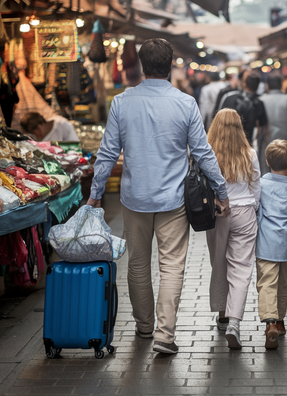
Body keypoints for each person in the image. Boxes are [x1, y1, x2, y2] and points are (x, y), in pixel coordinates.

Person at [87, 38, 229, 355]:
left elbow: (107, 153)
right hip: (174, 200)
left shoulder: (122, 103)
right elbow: (203, 154)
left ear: (140, 64)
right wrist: (221, 191)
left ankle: (144, 326)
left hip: (134, 198)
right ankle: (165, 335)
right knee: (172, 267)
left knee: (137, 265)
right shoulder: (185, 103)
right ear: (170, 65)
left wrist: (95, 195)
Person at [205, 108, 261, 350]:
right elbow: (256, 186)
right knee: (241, 269)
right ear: (240, 128)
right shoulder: (250, 153)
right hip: (245, 212)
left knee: (219, 263)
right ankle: (234, 323)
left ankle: (222, 315)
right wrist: (254, 209)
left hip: (217, 214)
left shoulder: (208, 153)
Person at [255, 139, 287, 349]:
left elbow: (256, 213)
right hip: (286, 245)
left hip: (265, 244)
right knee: (283, 285)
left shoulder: (260, 185)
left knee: (267, 283)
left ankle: (270, 323)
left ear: (267, 161)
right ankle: (280, 320)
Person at [259, 74, 287, 174]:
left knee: (266, 173)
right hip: (285, 144)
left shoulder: (261, 100)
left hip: (266, 142)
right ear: (281, 84)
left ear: (267, 85)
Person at [216, 72, 266, 145]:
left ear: (244, 84)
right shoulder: (259, 103)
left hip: (226, 140)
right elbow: (261, 128)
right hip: (246, 143)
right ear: (258, 86)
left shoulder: (229, 97)